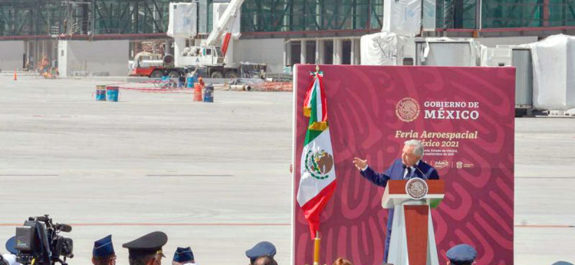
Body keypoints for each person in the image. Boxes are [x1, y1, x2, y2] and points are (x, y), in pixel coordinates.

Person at [352, 139, 440, 263]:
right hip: (396, 217)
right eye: (403, 152)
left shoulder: (429, 172)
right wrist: (365, 168)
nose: (402, 156)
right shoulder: (397, 164)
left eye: (407, 154)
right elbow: (382, 180)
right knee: (392, 245)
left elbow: (436, 194)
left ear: (418, 156)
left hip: (418, 220)